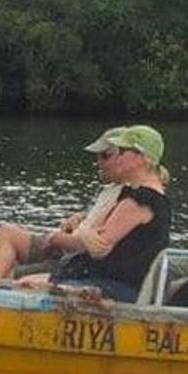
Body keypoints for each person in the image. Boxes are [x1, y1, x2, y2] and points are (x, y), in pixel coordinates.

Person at [16, 126, 170, 302]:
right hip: (113, 282)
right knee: (27, 281)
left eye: (121, 152)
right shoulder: (146, 196)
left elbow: (99, 248)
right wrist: (87, 229)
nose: (117, 157)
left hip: (114, 287)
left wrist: (81, 231)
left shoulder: (141, 200)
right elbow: (97, 237)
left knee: (25, 285)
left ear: (140, 158)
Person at [0, 126, 127, 280]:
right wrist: (81, 218)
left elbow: (90, 244)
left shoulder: (130, 198)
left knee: (16, 274)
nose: (99, 162)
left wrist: (55, 238)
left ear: (126, 158)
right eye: (98, 156)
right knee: (6, 232)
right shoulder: (111, 190)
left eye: (105, 156)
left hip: (74, 258)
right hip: (66, 248)